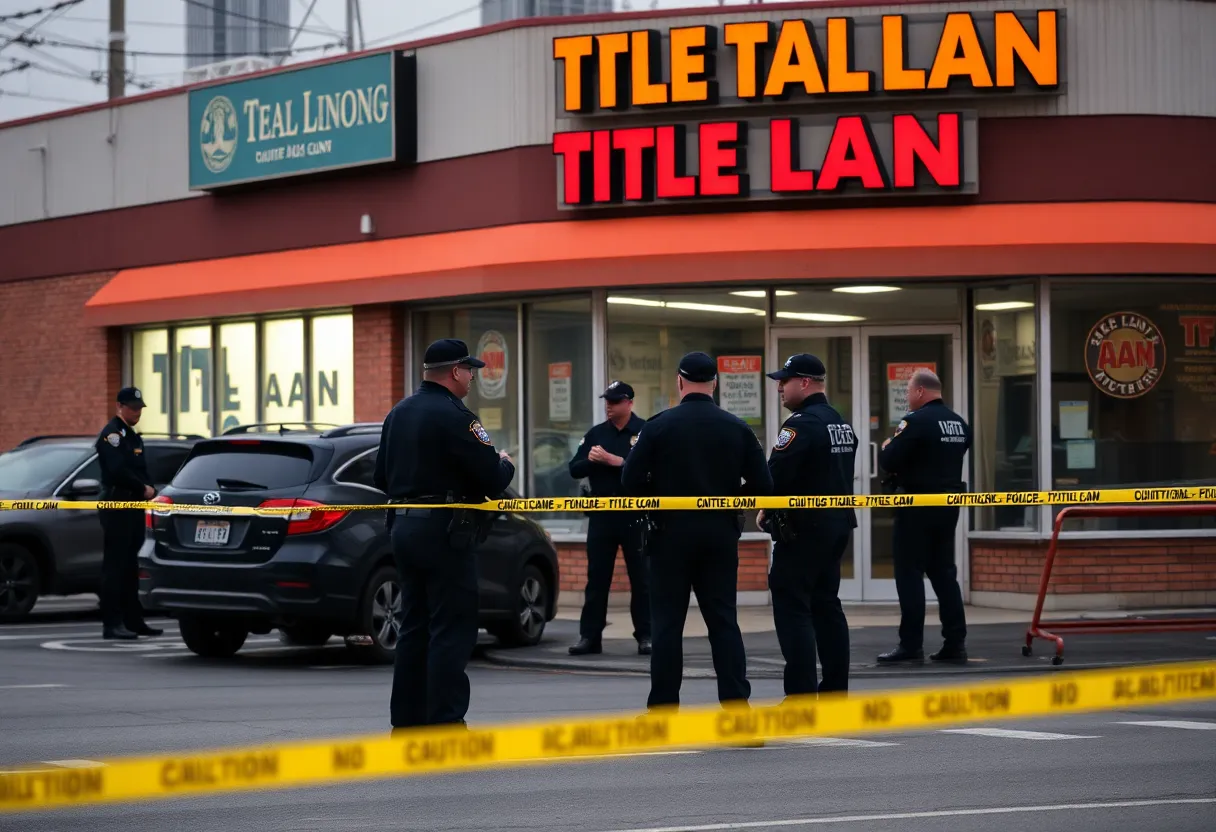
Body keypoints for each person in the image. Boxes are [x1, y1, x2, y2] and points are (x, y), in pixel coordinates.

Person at [374, 338, 515, 731]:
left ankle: (406, 717)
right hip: (444, 532)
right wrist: (504, 463)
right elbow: (490, 477)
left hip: (403, 527)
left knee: (414, 624)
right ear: (454, 372)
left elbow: (381, 477)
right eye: (469, 370)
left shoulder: (398, 413)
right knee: (451, 626)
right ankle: (445, 720)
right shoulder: (457, 416)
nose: (471, 378)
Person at [621, 351, 773, 711]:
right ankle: (737, 713)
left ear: (679, 381)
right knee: (723, 624)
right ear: (715, 384)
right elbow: (764, 485)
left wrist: (656, 497)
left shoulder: (658, 426)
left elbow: (629, 479)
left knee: (667, 627)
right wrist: (732, 502)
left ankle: (663, 713)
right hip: (719, 537)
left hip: (668, 537)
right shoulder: (736, 427)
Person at [759, 354, 857, 696]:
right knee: (827, 606)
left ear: (804, 382)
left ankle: (800, 697)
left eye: (784, 381)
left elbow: (774, 476)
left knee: (793, 608)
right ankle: (834, 692)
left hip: (804, 531)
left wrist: (764, 507)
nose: (780, 388)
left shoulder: (801, 424)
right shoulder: (838, 421)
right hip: (836, 526)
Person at [875, 368, 971, 665]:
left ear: (919, 391)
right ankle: (955, 644)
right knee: (944, 575)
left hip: (916, 508)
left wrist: (888, 446)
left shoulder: (915, 422)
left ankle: (910, 645)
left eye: (908, 392)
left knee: (909, 575)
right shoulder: (959, 424)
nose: (907, 397)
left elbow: (889, 460)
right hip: (947, 508)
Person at [566, 380, 651, 656]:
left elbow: (654, 469)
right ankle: (589, 637)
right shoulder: (596, 434)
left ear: (629, 403)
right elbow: (574, 468)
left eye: (615, 402)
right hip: (602, 515)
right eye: (607, 401)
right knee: (597, 578)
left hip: (635, 515)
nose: (609, 406)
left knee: (642, 579)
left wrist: (619, 462)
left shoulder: (644, 431)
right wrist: (594, 460)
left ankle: (646, 635)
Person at [95, 387, 163, 641]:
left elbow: (140, 468)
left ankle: (134, 621)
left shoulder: (132, 436)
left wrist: (150, 488)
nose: (137, 412)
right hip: (117, 505)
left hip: (134, 505)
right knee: (115, 565)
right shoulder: (112, 434)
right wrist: (142, 488)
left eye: (139, 408)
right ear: (119, 406)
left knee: (130, 564)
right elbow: (117, 471)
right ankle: (112, 624)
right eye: (132, 407)